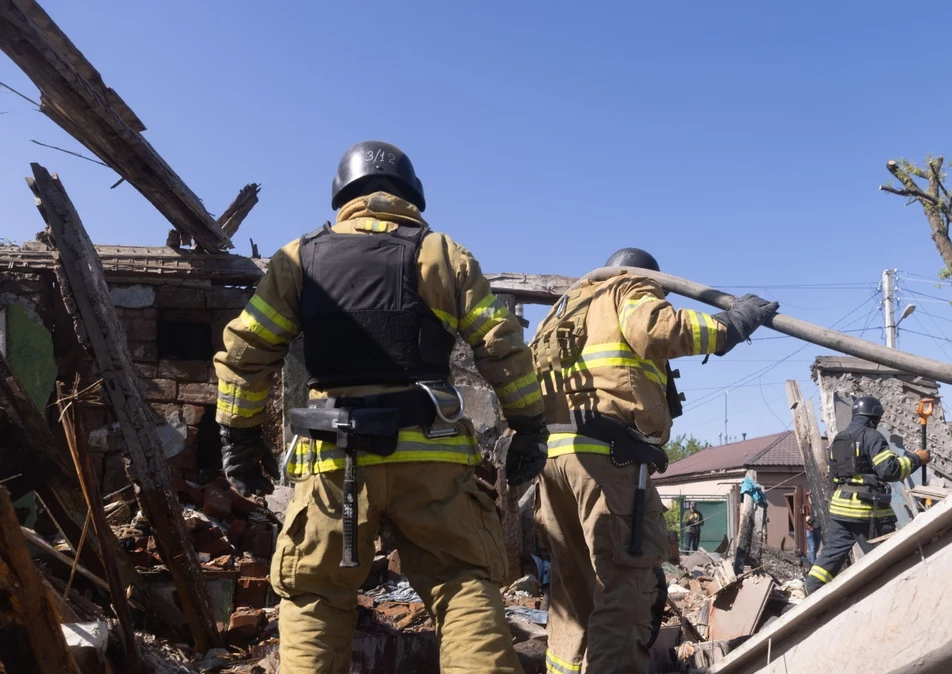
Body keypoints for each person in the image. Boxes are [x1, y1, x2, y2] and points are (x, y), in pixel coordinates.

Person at [212, 140, 548, 674]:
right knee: (462, 584)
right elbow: (502, 346)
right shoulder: (442, 254)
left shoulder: (298, 258)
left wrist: (239, 436)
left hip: (334, 462)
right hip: (432, 460)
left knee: (315, 596)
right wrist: (530, 426)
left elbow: (245, 352)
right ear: (410, 194)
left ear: (342, 195)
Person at [530, 248, 778, 673]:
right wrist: (730, 325)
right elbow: (654, 329)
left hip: (554, 459)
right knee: (624, 590)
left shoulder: (566, 308)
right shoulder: (627, 286)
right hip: (608, 459)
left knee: (573, 590)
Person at [804, 396, 929, 596]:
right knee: (886, 558)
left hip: (840, 509)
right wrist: (916, 459)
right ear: (874, 417)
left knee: (831, 555)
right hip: (868, 511)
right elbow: (890, 470)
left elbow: (833, 473)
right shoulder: (872, 436)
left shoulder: (839, 439)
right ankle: (892, 594)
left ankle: (812, 587)